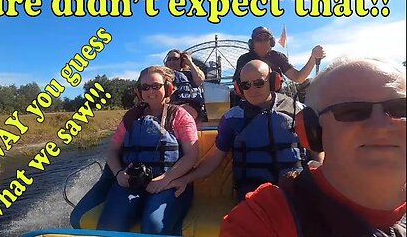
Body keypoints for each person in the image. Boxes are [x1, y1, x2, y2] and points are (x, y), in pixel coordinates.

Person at [220, 57, 406, 236]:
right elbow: (215, 158)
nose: (381, 126)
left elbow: (318, 156)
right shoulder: (258, 219)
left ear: (273, 81)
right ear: (313, 130)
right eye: (351, 111)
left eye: (401, 108)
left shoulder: (295, 109)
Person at [168, 60, 319, 202]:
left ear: (274, 82)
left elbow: (316, 151)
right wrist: (184, 179)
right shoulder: (232, 118)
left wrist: (318, 175)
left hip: (297, 190)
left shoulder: (298, 111)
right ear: (239, 88)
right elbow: (213, 159)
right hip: (253, 196)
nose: (252, 90)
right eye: (246, 85)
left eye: (259, 83)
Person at [96, 65, 199, 235]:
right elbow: (112, 150)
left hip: (170, 184)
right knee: (110, 224)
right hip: (131, 183)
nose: (150, 91)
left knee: (154, 225)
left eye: (156, 86)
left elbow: (192, 155)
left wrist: (166, 178)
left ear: (168, 87)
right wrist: (118, 174)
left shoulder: (180, 116)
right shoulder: (131, 117)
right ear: (139, 91)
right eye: (145, 87)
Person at [233, 26, 326, 85]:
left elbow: (298, 78)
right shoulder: (244, 59)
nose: (263, 42)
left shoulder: (278, 57)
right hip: (249, 102)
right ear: (252, 43)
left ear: (271, 42)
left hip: (275, 103)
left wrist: (313, 59)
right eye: (258, 39)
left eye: (266, 39)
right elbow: (237, 85)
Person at [164, 49, 206, 121]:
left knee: (181, 112)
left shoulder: (192, 73)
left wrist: (190, 62)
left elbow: (199, 81)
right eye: (169, 59)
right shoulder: (163, 76)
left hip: (190, 105)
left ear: (182, 61)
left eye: (175, 59)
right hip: (170, 106)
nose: (171, 61)